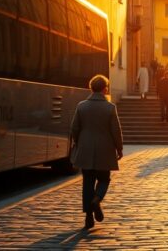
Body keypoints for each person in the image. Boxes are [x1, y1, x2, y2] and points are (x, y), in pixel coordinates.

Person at [70, 75, 124, 229]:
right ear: (104, 88)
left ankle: (88, 217)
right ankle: (97, 199)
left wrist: (78, 142)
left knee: (87, 181)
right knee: (104, 179)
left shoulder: (81, 106)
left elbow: (74, 128)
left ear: (91, 88)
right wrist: (119, 148)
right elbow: (116, 131)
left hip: (85, 149)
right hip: (105, 150)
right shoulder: (110, 108)